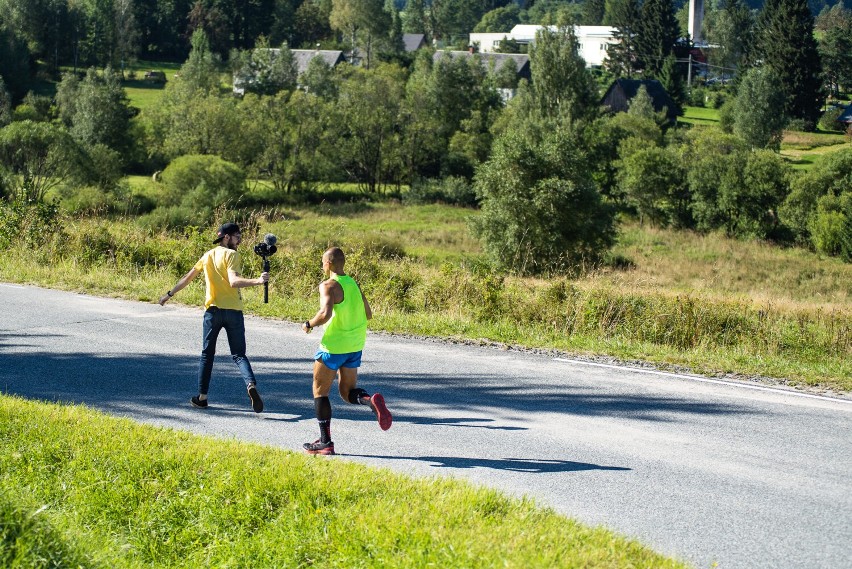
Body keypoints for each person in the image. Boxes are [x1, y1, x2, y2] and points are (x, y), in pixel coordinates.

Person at [159, 222, 269, 413]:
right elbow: (234, 281)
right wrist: (258, 281)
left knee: (207, 355)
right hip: (233, 311)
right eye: (237, 236)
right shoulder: (232, 255)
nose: (240, 239)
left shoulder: (208, 255)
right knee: (239, 355)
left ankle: (202, 398)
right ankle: (250, 384)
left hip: (212, 312)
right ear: (226, 237)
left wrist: (169, 295)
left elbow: (187, 278)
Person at [301, 247, 391, 455]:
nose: (323, 265)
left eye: (323, 262)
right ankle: (370, 401)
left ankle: (325, 442)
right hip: (355, 345)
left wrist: (309, 324)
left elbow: (325, 313)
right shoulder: (353, 284)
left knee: (319, 391)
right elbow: (368, 313)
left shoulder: (328, 285)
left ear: (329, 264)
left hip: (333, 346)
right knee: (346, 392)